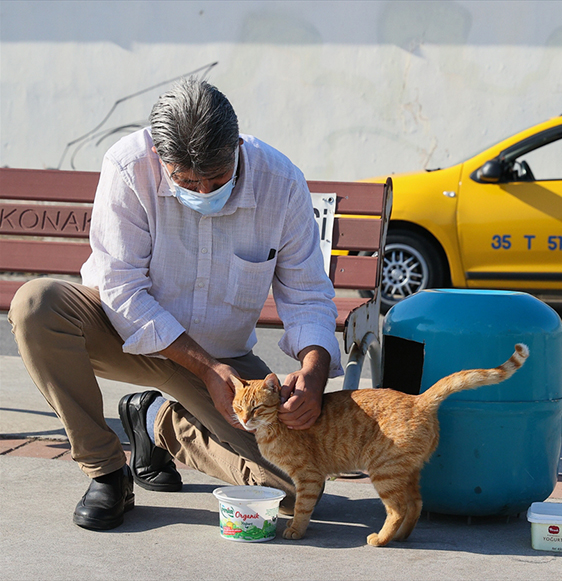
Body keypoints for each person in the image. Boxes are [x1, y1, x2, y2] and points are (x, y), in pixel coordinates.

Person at [8, 78, 343, 530]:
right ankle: (106, 471)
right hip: (123, 336)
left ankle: (155, 422)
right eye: (186, 180)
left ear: (238, 148)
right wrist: (202, 367)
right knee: (36, 304)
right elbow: (119, 287)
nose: (203, 192)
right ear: (159, 159)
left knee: (295, 484)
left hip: (223, 362)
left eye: (217, 180)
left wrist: (315, 368)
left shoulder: (281, 183)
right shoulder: (128, 166)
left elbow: (307, 292)